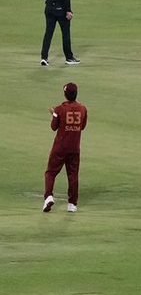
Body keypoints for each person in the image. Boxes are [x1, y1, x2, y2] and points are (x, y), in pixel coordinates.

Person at [43, 81, 87, 213]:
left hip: (60, 147)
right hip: (74, 148)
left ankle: (48, 196)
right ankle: (72, 204)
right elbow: (82, 126)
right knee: (73, 175)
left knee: (51, 172)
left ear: (65, 94)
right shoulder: (83, 109)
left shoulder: (60, 109)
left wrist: (54, 114)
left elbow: (53, 127)